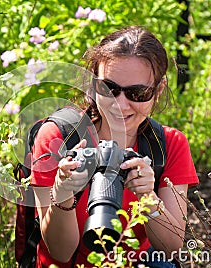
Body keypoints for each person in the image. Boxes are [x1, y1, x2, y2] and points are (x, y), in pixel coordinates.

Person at [30, 26, 199, 267]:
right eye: (108, 88)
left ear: (158, 91)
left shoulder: (169, 145)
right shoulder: (57, 137)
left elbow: (170, 247)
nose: (120, 104)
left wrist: (147, 196)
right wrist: (63, 192)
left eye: (138, 93)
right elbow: (60, 252)